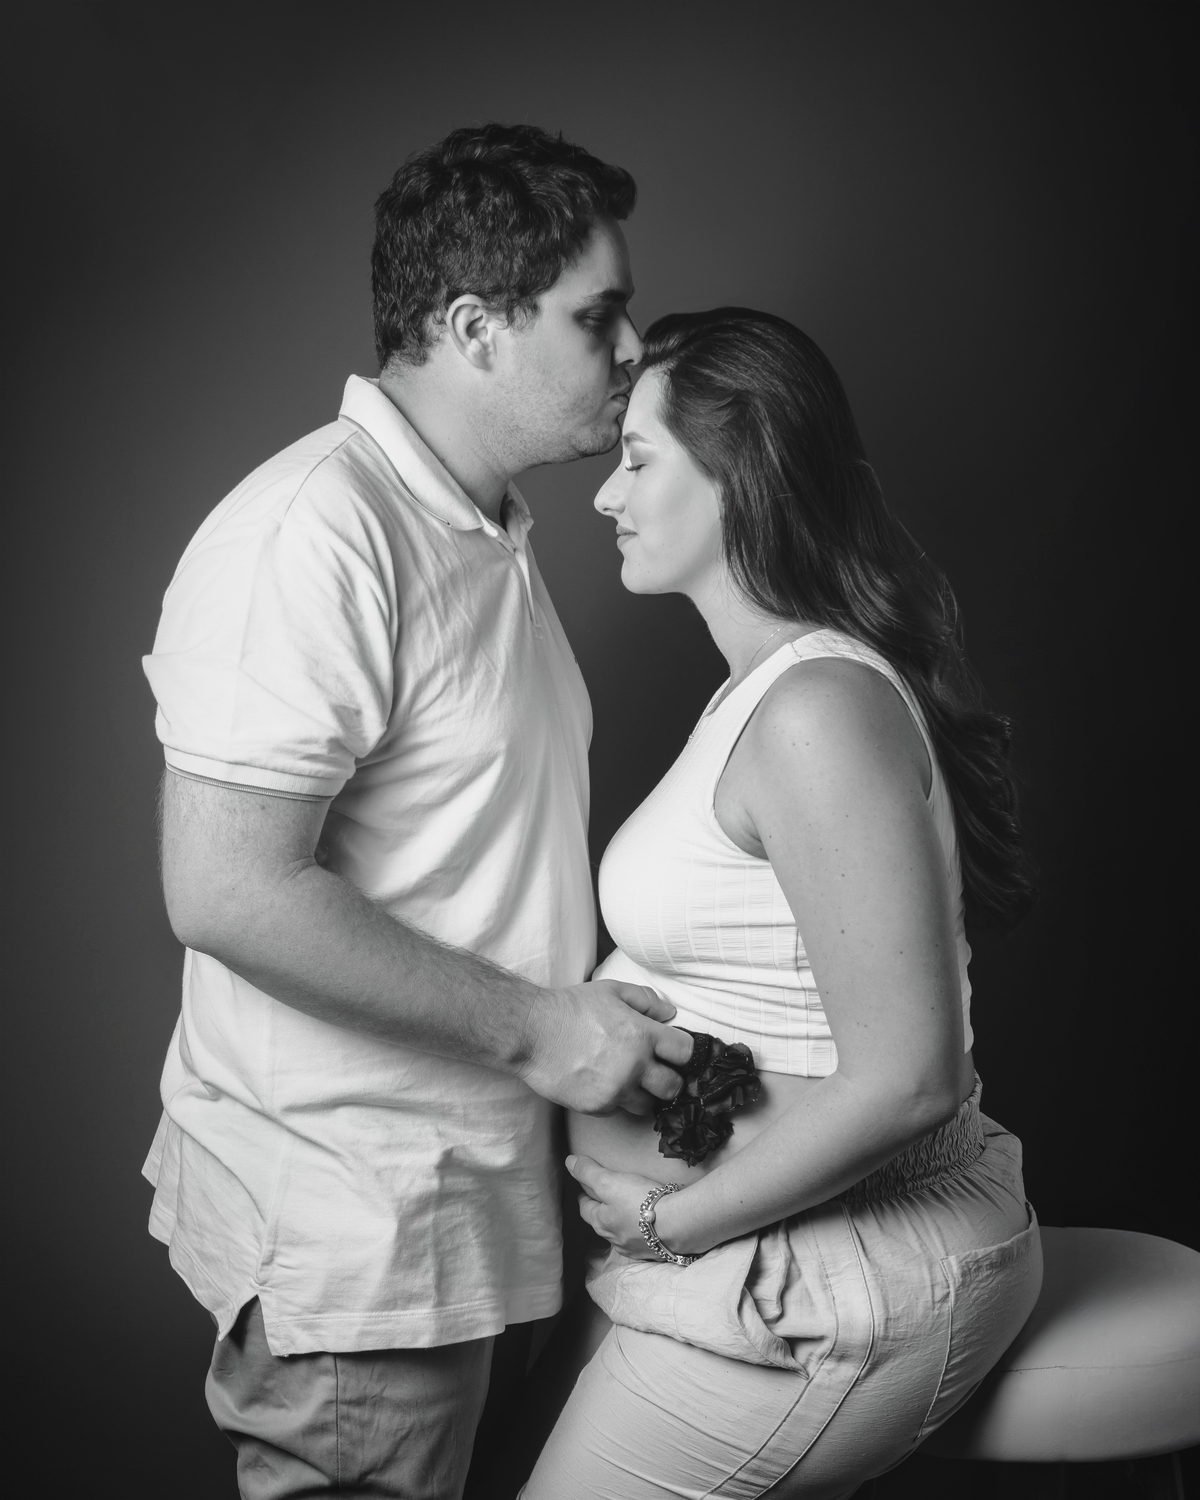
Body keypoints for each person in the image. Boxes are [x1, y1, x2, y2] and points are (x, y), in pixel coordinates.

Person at [141, 123, 693, 1500]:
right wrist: (551, 1029)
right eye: (598, 316)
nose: (633, 350)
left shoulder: (478, 528)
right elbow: (227, 889)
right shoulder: (315, 535)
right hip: (363, 1245)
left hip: (477, 1219)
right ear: (473, 328)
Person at [521, 309, 1043, 1499]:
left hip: (838, 1265)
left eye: (639, 459)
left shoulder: (814, 709)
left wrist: (672, 1225)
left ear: (740, 473)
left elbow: (910, 1079)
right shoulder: (760, 692)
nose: (605, 494)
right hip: (754, 1247)